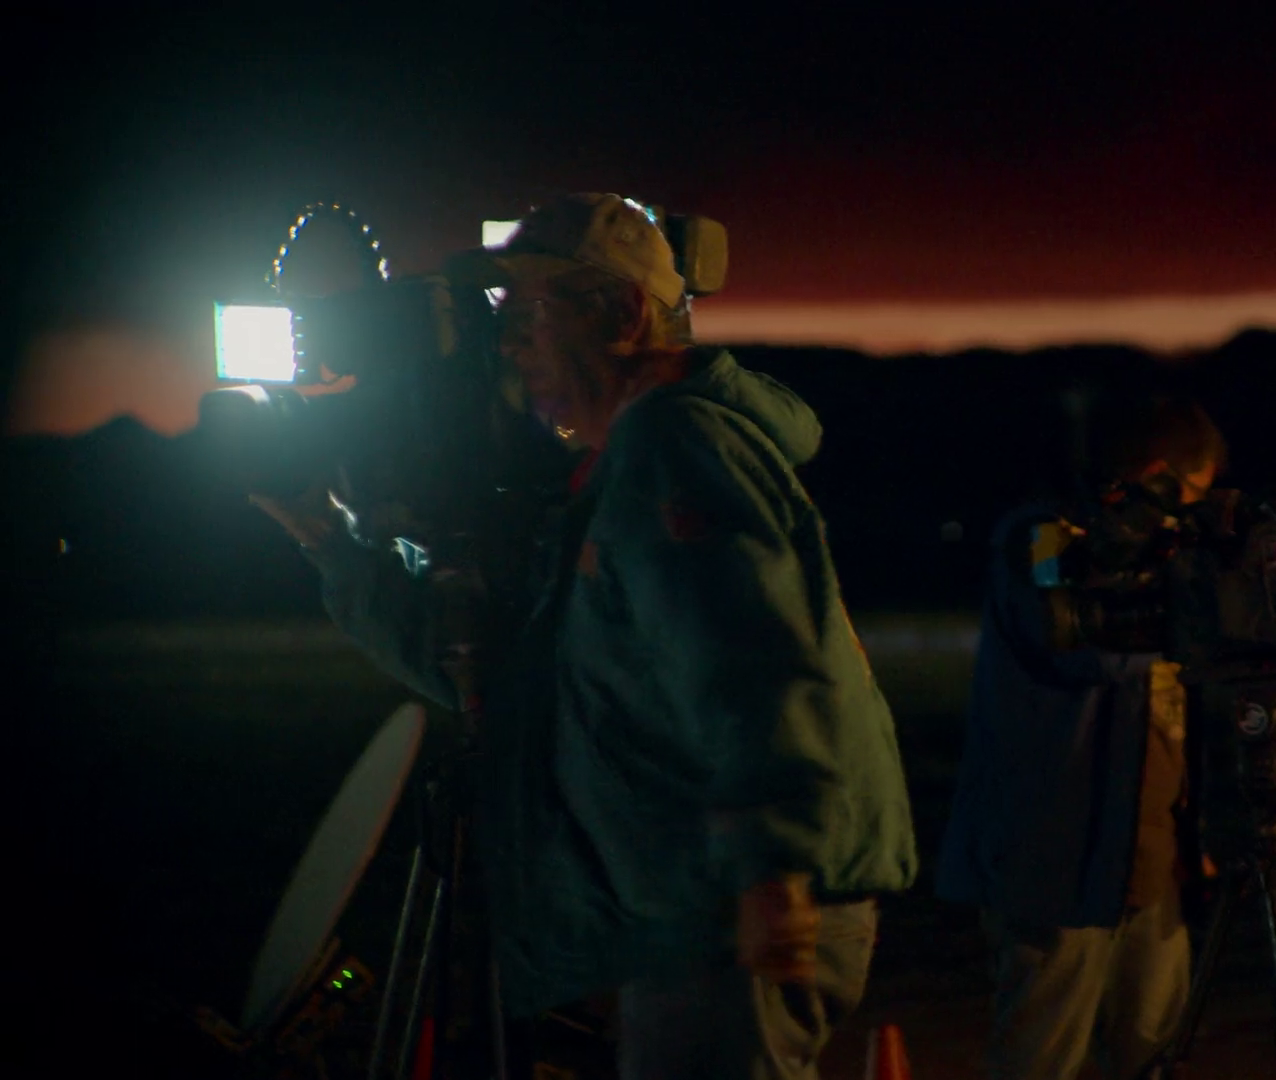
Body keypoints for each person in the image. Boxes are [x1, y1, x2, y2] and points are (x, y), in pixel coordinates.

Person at [252, 193, 917, 1080]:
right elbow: (500, 681)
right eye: (503, 313)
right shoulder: (608, 477)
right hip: (690, 905)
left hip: (725, 907)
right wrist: (327, 539)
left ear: (625, 314)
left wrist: (770, 870)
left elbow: (747, 661)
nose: (508, 342)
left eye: (531, 311)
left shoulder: (673, 447)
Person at [936, 397, 1226, 1080]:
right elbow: (1078, 647)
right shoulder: (1039, 538)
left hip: (1150, 866)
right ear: (1155, 476)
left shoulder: (1163, 561)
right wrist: (1189, 615)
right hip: (1053, 864)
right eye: (1191, 496)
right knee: (1040, 1057)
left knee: (1153, 1053)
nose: (1192, 517)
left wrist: (1191, 840)